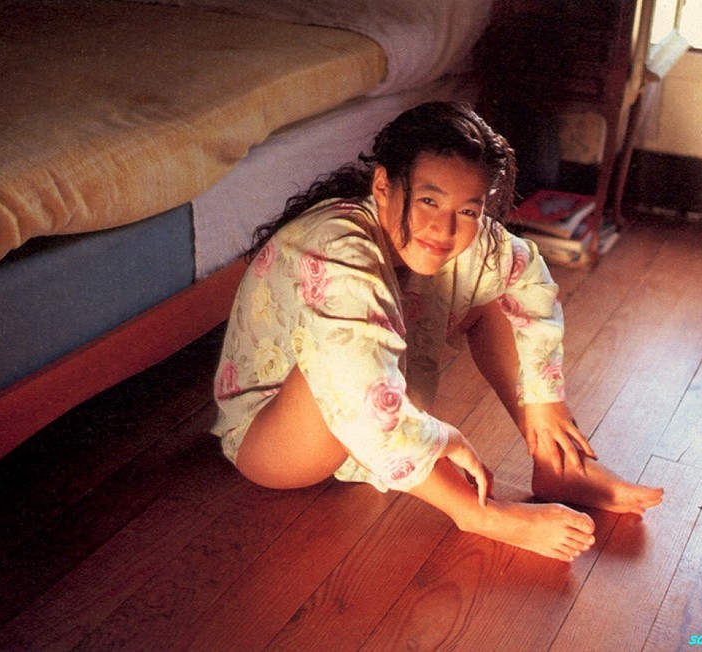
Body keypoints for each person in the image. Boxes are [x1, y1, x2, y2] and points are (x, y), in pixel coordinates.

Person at [211, 101, 662, 562]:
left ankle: (556, 463)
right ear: (383, 186)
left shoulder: (457, 233)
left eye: (467, 209)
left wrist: (546, 402)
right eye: (428, 200)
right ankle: (481, 515)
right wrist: (442, 438)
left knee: (496, 295)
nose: (444, 228)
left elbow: (527, 278)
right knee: (343, 363)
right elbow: (361, 396)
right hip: (276, 440)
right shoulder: (338, 247)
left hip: (368, 410)